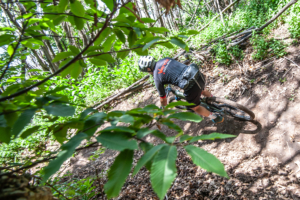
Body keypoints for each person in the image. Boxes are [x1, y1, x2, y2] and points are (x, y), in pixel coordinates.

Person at [138, 55, 224, 123]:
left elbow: (163, 99)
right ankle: (214, 99)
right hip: (197, 73)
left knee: (195, 108)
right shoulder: (165, 59)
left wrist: (163, 108)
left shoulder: (157, 77)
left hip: (191, 86)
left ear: (148, 69)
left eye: (147, 71)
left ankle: (216, 117)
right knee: (202, 90)